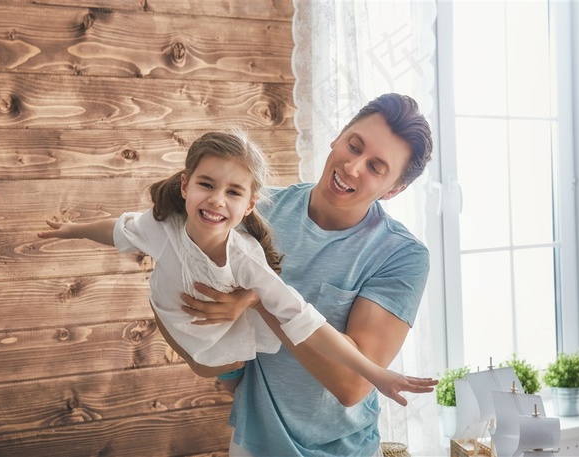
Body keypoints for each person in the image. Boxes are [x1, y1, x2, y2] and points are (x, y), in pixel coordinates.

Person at [37, 129, 435, 406]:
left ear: (248, 206)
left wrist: (377, 374)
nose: (216, 201)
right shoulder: (164, 225)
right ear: (184, 185)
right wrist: (72, 230)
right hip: (232, 398)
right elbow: (120, 229)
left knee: (225, 361)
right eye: (206, 185)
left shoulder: (246, 257)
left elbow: (304, 319)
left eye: (376, 166)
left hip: (232, 363)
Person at [180, 93, 436, 456]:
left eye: (376, 167)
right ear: (337, 137)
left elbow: (351, 384)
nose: (353, 167)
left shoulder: (401, 256)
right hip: (252, 442)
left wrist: (259, 299)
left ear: (394, 189)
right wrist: (232, 376)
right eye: (354, 145)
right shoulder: (257, 210)